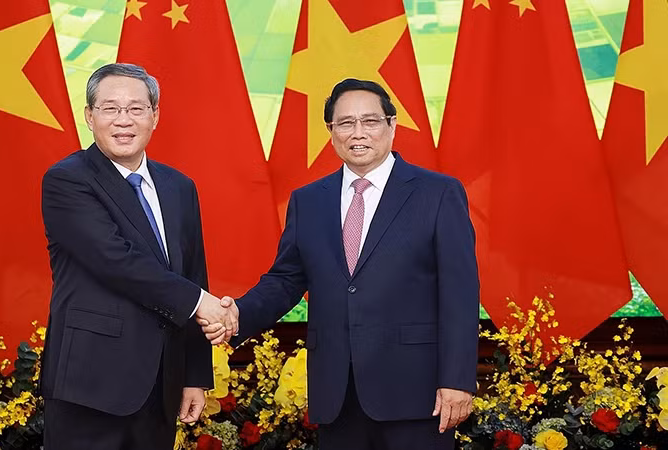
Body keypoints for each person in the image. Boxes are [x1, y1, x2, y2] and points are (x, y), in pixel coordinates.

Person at [203, 78, 479, 450]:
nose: (358, 132)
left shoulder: (438, 193)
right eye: (346, 123)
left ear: (392, 126)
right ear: (331, 132)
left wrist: (458, 379)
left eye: (370, 121)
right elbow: (286, 280)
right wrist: (237, 313)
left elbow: (460, 293)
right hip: (337, 395)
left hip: (416, 393)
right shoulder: (308, 200)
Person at [40, 63, 235, 450]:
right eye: (110, 109)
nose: (123, 120)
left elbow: (193, 275)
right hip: (90, 386)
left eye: (136, 109)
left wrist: (194, 374)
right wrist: (203, 305)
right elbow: (118, 261)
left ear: (155, 115)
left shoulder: (179, 186)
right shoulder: (68, 180)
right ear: (89, 116)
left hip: (160, 386)